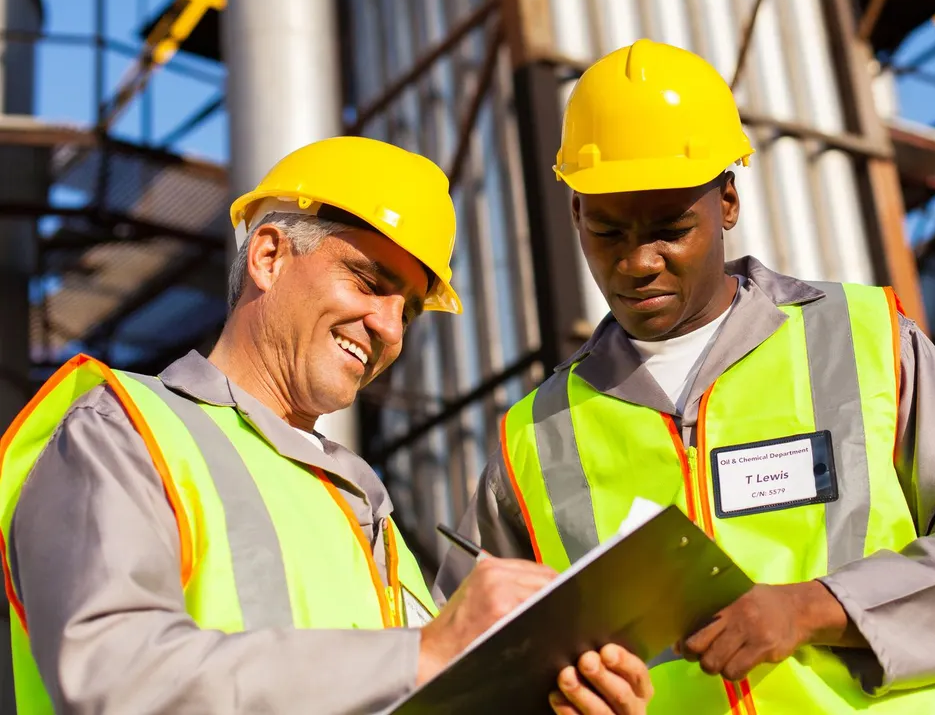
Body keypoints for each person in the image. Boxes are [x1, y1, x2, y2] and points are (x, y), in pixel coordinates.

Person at [436, 40, 935, 713]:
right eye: (610, 233)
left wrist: (817, 607)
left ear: (727, 200)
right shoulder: (534, 437)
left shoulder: (862, 337)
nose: (639, 262)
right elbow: (461, 675)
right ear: (577, 214)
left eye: (671, 228)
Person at [0, 137, 653, 715]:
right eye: (368, 281)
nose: (390, 330)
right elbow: (114, 681)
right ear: (269, 255)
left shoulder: (368, 520)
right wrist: (419, 652)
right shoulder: (123, 430)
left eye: (410, 311)